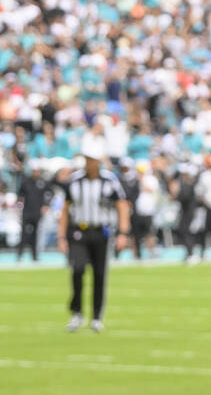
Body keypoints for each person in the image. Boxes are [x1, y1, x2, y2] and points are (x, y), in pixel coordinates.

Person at [58, 135, 130, 332]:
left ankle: (96, 317)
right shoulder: (74, 181)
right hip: (79, 232)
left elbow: (122, 206)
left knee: (99, 275)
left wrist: (123, 233)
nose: (90, 163)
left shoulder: (109, 181)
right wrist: (61, 236)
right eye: (88, 159)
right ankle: (77, 313)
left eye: (93, 159)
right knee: (78, 270)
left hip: (101, 232)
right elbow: (65, 210)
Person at [16, 159, 52, 261]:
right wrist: (19, 206)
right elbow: (20, 195)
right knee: (23, 234)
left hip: (37, 212)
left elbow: (49, 194)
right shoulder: (26, 182)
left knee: (36, 234)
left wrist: (46, 205)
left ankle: (35, 256)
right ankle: (20, 255)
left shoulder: (43, 182)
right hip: (27, 212)